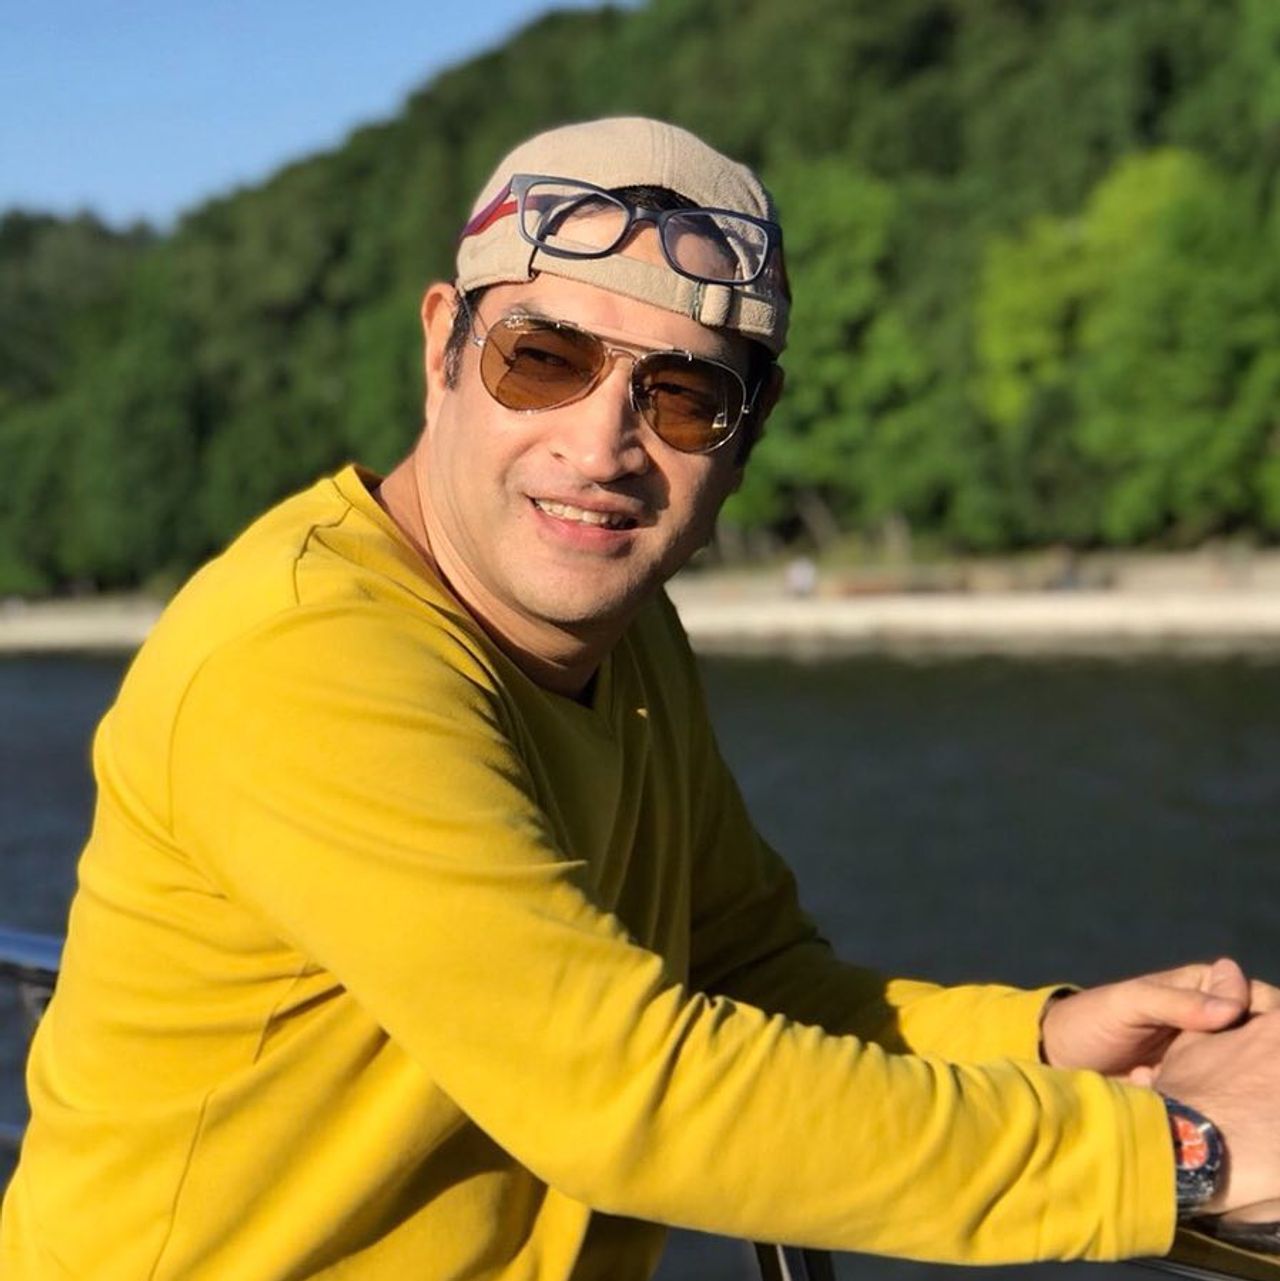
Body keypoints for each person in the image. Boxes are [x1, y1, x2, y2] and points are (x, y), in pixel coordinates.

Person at [4, 116, 1280, 1281]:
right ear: (442, 345)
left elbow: (744, 975)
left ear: (746, 435)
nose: (601, 445)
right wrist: (1178, 1155)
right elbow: (624, 1092)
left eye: (681, 396)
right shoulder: (306, 659)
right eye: (542, 359)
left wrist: (1046, 1043)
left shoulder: (623, 633)